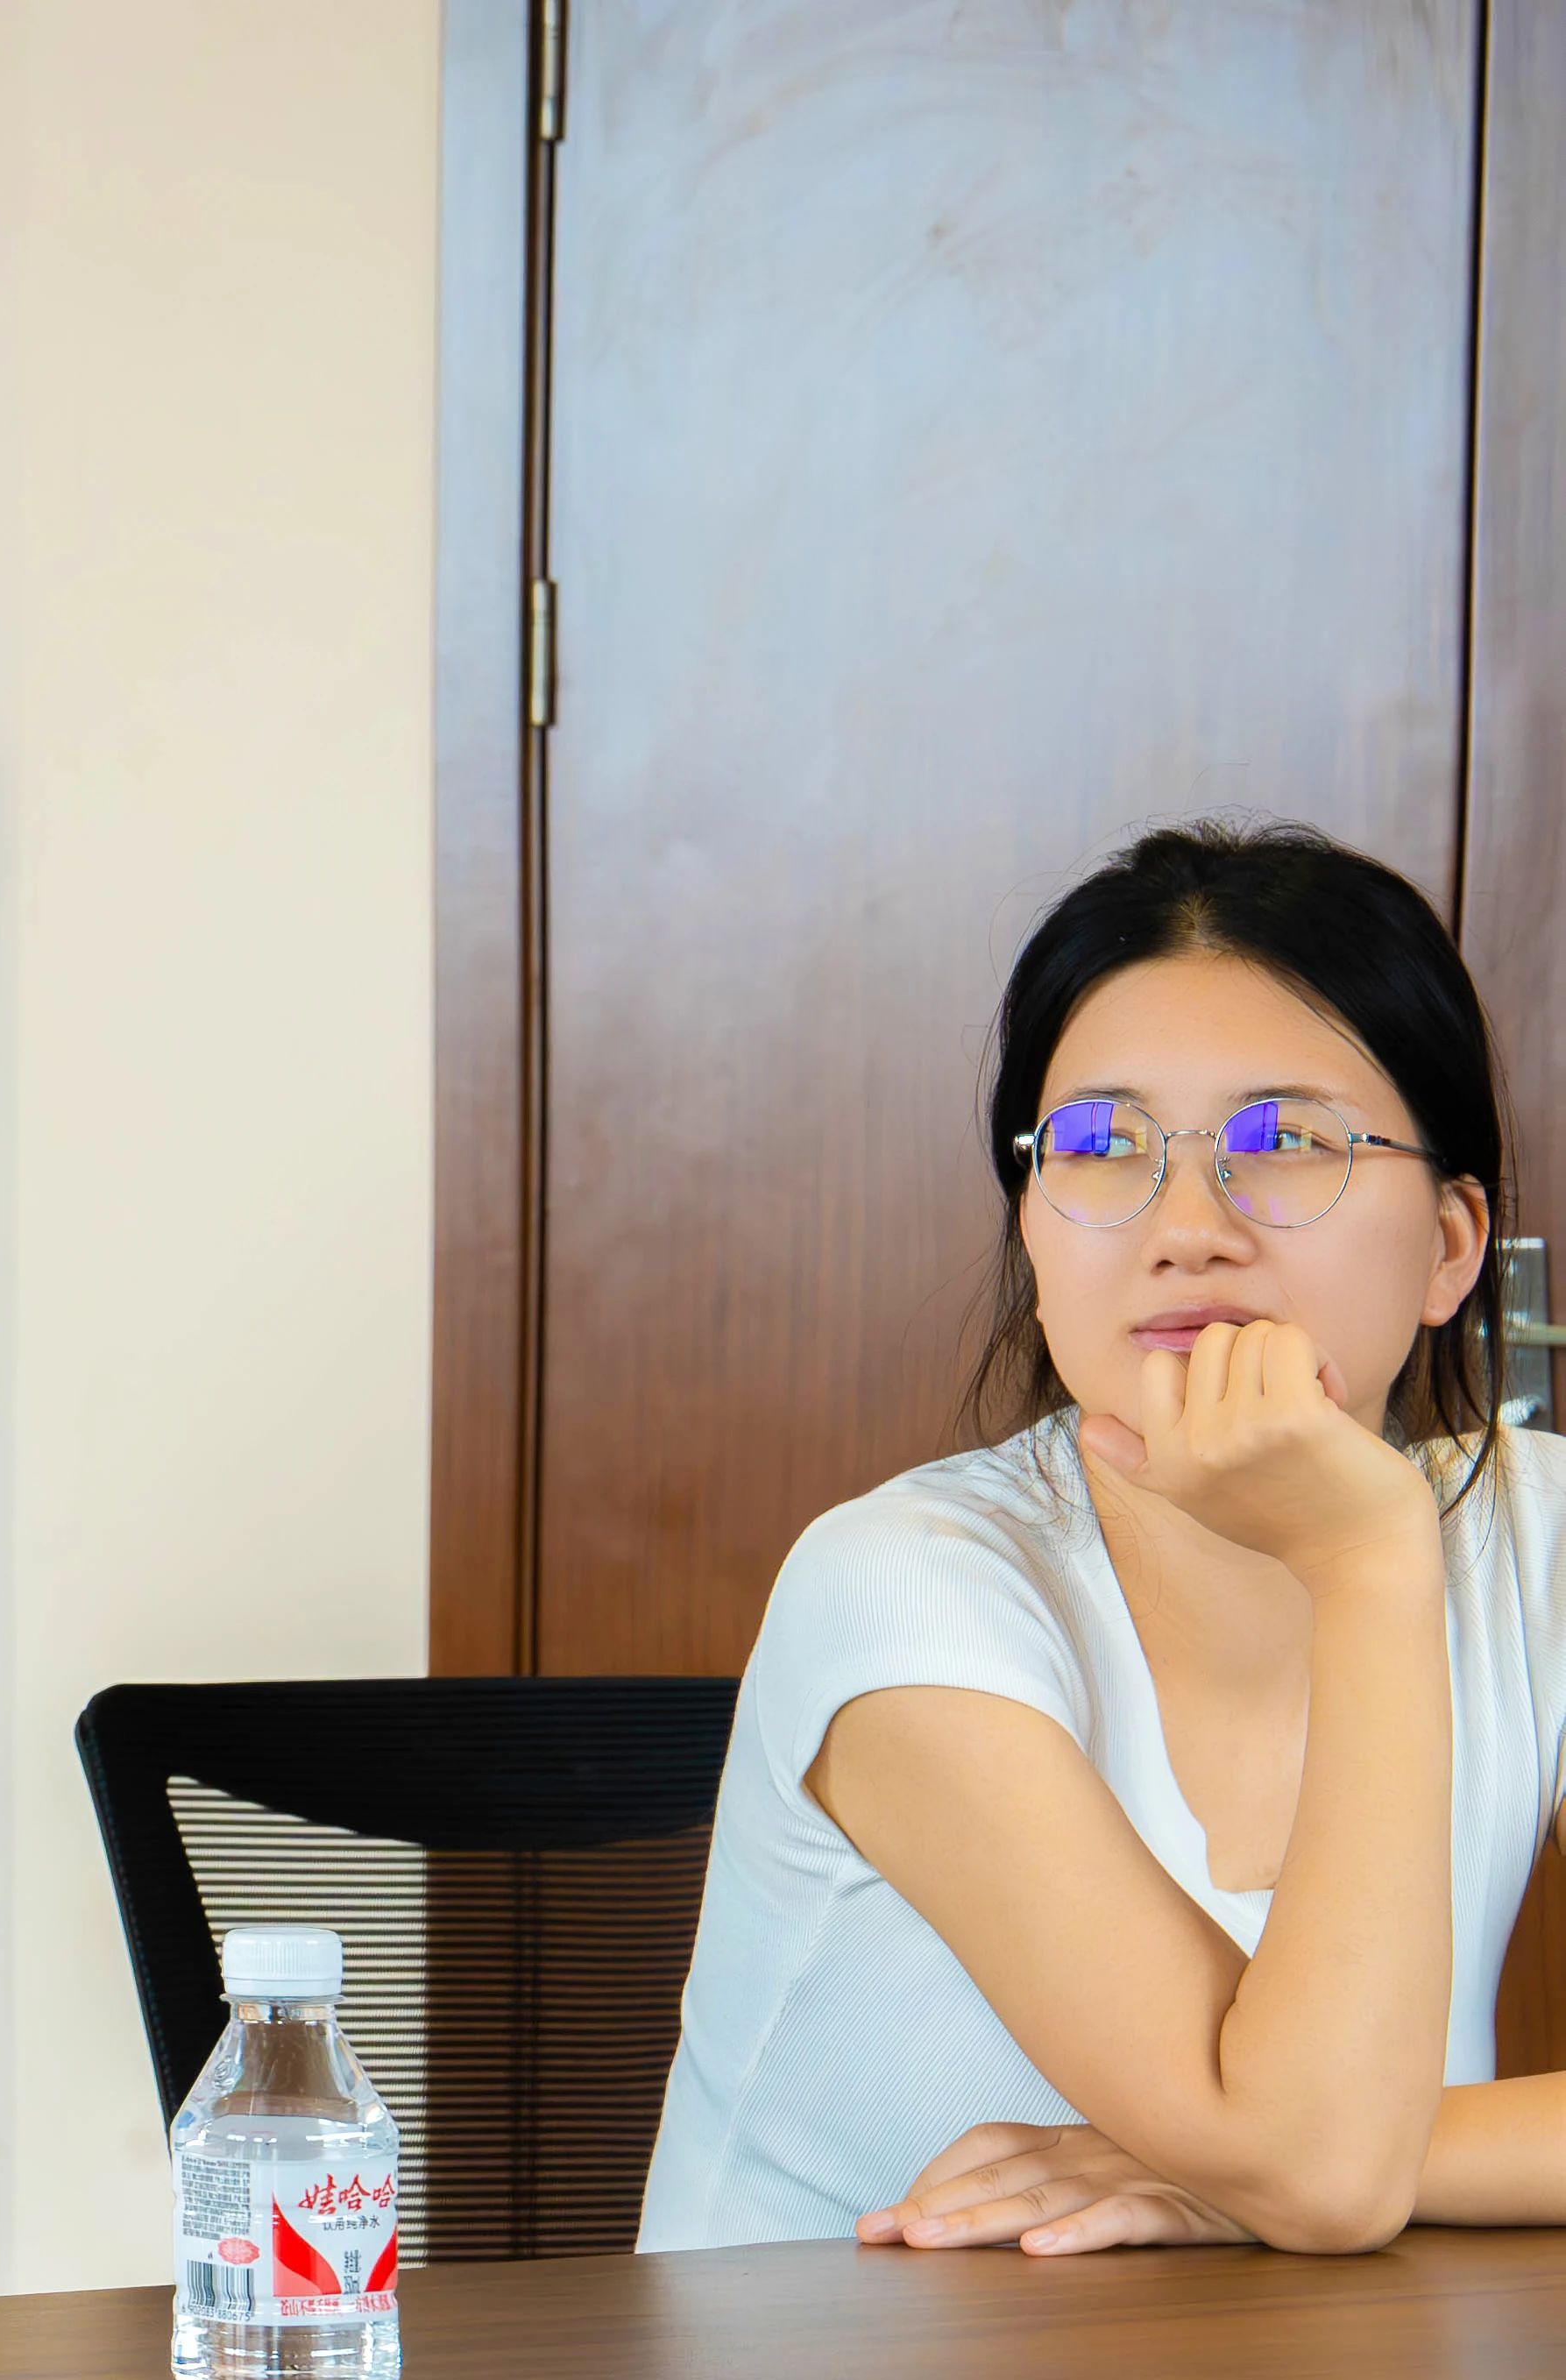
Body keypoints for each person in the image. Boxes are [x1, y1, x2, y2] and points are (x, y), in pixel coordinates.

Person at [639, 824, 1566, 2258]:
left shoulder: (1534, 1535)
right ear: (1032, 1223)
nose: (1184, 1227)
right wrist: (1370, 1559)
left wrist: (1274, 2158)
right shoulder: (898, 1586)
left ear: (1450, 1245)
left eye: (1283, 1141)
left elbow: (1316, 2163)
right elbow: (1321, 2172)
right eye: (1096, 1144)